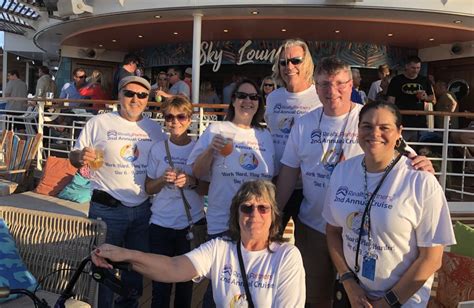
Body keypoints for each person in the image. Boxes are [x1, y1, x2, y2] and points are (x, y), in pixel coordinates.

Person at [276, 56, 434, 308]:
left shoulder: (370, 120)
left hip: (358, 232)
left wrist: (422, 163)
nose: (332, 91)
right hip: (314, 227)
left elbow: (404, 152)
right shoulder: (303, 124)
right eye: (324, 84)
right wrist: (275, 215)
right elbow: (287, 174)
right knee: (313, 297)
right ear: (315, 88)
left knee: (355, 297)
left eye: (340, 83)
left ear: (351, 84)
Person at [323, 101, 456, 308]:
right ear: (358, 130)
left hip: (403, 301)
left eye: (384, 128)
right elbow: (332, 232)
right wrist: (349, 282)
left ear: (399, 133)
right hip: (354, 296)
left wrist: (389, 302)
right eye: (367, 126)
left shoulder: (420, 181)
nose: (374, 133)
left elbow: (432, 258)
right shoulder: (342, 172)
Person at [92, 180, 306, 308]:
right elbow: (173, 267)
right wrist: (125, 254)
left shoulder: (286, 256)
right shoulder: (221, 247)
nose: (254, 215)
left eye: (263, 208)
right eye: (247, 208)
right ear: (236, 213)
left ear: (274, 216)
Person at [69, 76, 166, 308]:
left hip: (142, 211)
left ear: (147, 99)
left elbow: (163, 163)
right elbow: (73, 156)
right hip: (106, 209)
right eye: (129, 93)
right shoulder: (99, 123)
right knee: (102, 269)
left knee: (134, 271)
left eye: (142, 95)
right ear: (119, 96)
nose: (135, 99)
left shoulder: (154, 129)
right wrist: (80, 157)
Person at [189, 78, 274, 238]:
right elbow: (197, 172)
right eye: (242, 96)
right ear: (233, 100)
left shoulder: (265, 136)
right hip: (223, 223)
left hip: (256, 224)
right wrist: (210, 150)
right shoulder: (216, 129)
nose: (248, 101)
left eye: (254, 97)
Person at [145, 95, 207, 308]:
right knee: (160, 287)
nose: (175, 122)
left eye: (181, 116)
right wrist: (162, 179)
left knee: (185, 287)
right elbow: (147, 187)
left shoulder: (199, 148)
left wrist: (189, 181)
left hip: (190, 224)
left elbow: (208, 188)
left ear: (190, 119)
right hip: (161, 224)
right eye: (170, 117)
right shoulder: (158, 149)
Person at [264, 38, 322, 233]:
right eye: (283, 62)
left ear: (306, 62)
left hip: (309, 187)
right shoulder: (273, 98)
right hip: (277, 183)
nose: (289, 66)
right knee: (270, 238)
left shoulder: (320, 97)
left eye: (295, 61)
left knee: (307, 246)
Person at [387, 56, 435, 141]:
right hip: (402, 120)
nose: (415, 70)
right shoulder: (396, 80)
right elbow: (391, 101)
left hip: (420, 121)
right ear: (406, 66)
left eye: (418, 68)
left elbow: (432, 97)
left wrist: (425, 97)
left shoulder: (424, 80)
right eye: (413, 68)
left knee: (419, 148)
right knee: (399, 147)